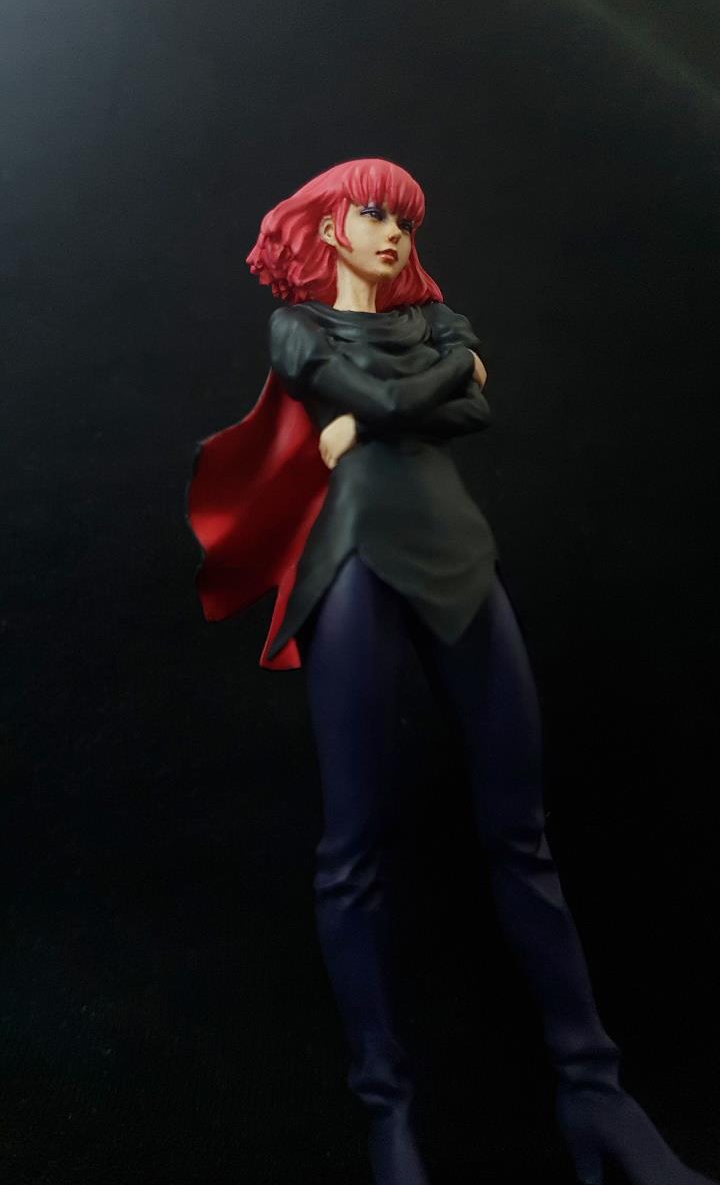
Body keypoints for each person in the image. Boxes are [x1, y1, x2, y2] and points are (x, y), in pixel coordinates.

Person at [186, 158, 715, 1185]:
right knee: (354, 848)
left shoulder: (437, 317)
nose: (395, 232)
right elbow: (406, 394)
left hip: (462, 559)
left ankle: (596, 1095)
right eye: (376, 213)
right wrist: (441, 380)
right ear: (331, 228)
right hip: (354, 565)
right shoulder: (300, 328)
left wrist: (375, 415)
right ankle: (390, 1120)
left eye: (408, 220)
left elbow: (448, 413)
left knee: (521, 834)